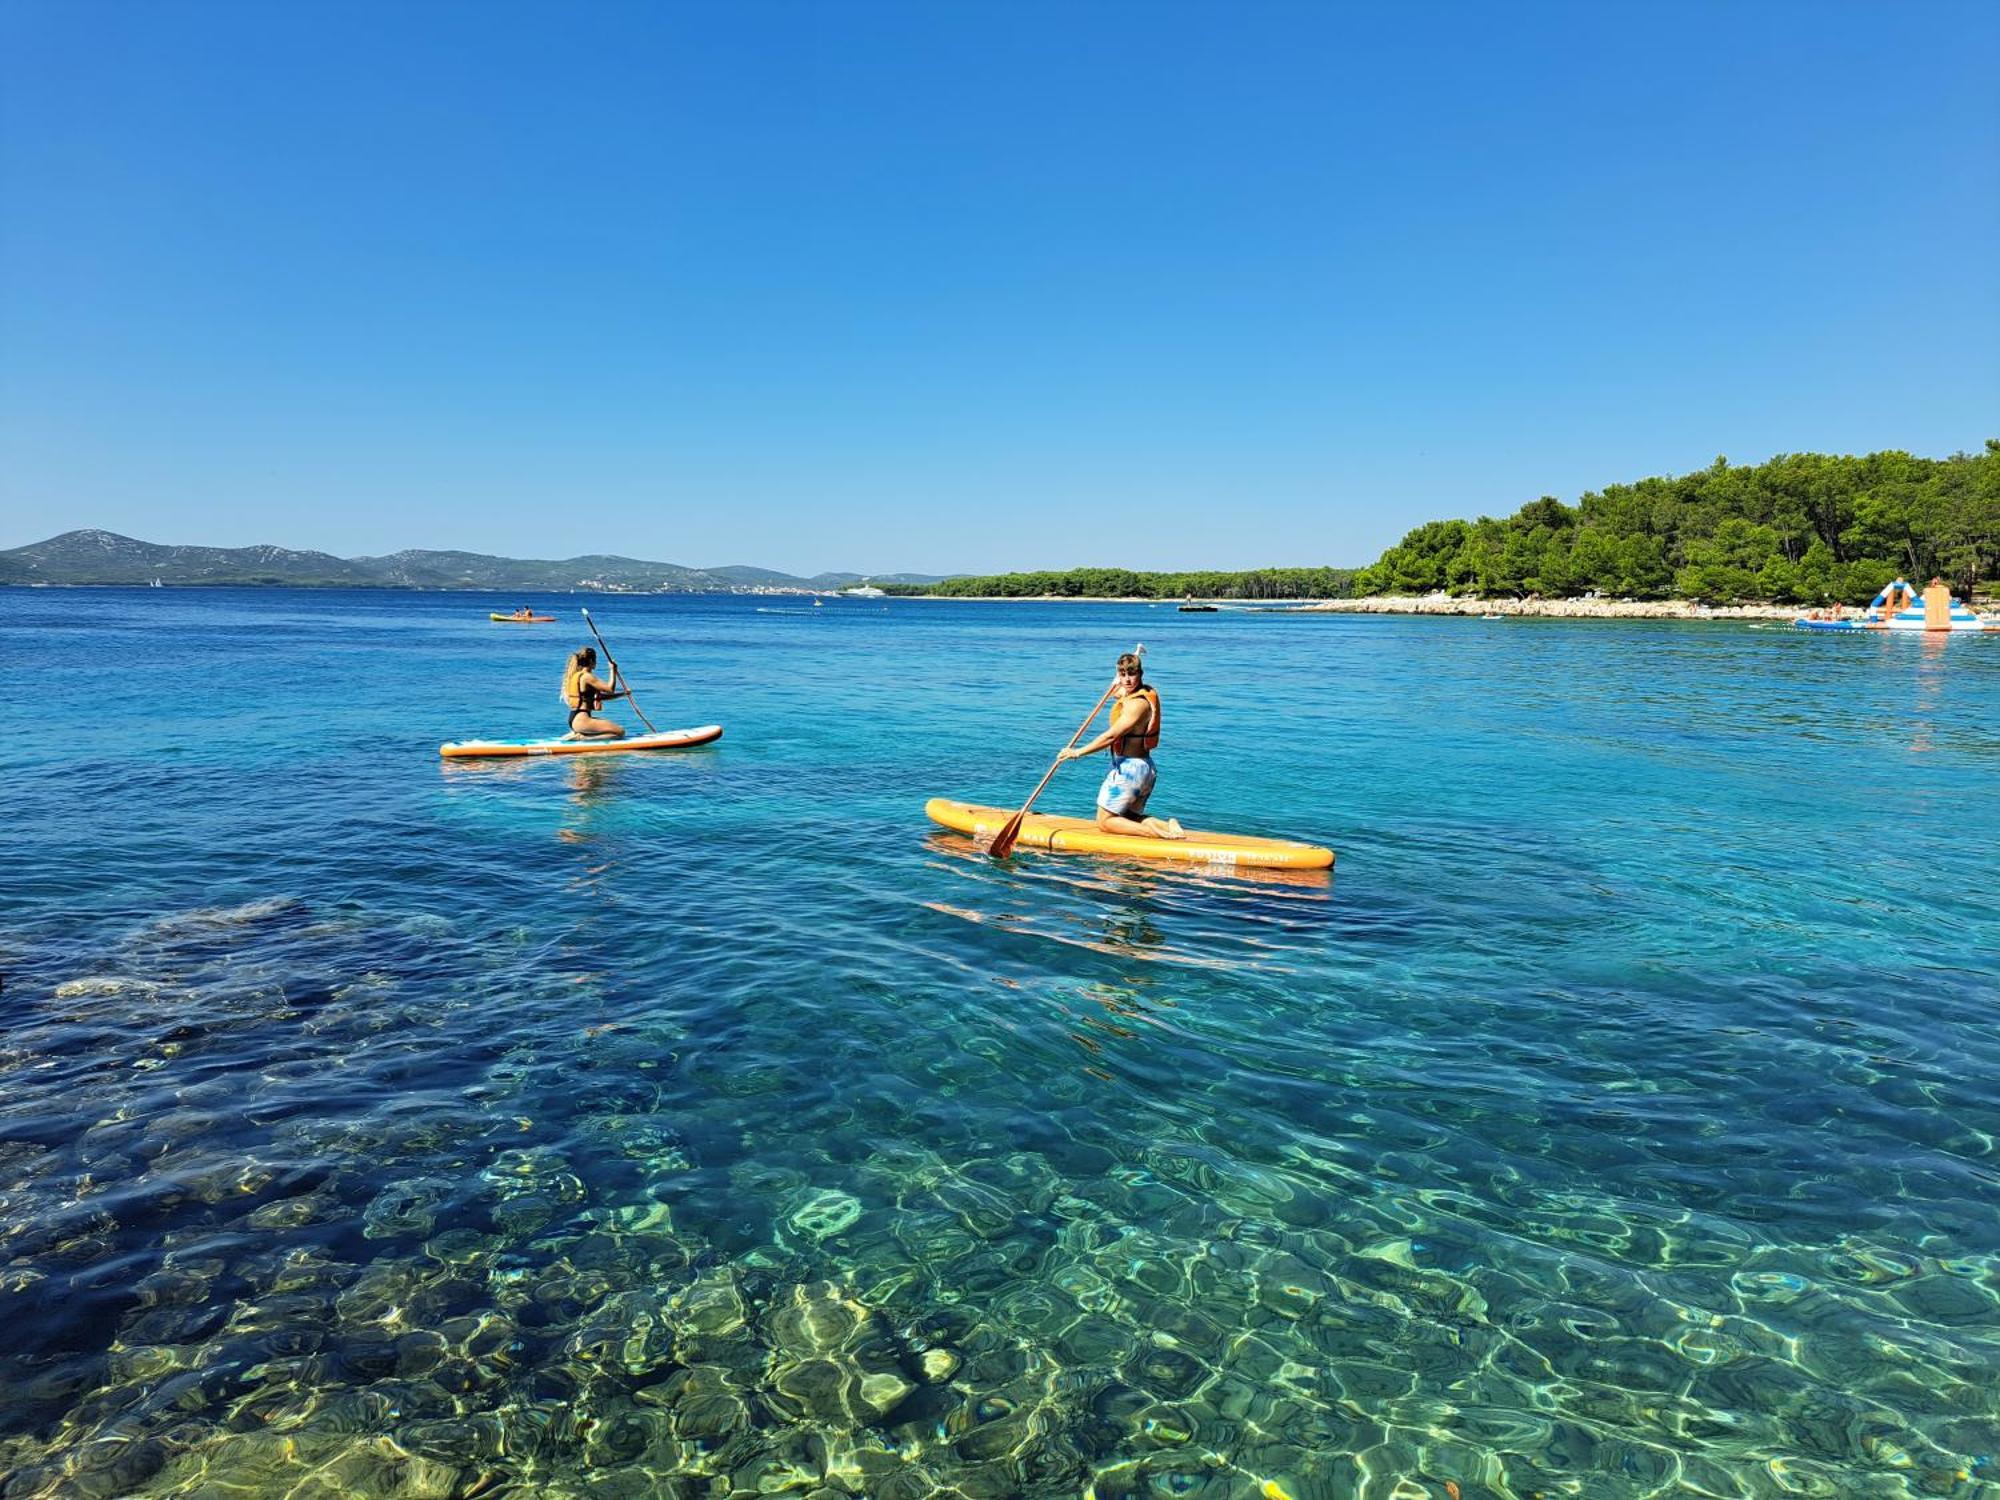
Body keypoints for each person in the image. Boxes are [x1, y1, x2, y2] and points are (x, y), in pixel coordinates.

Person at [1057, 652, 1184, 839]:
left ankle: (1152, 833)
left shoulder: (1137, 705)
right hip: (1145, 768)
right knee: (1129, 817)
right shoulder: (1142, 693)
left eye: (1131, 674)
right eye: (1122, 674)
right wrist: (1116, 682)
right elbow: (1118, 692)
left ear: (1140, 674)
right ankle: (1167, 825)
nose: (1127, 679)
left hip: (1130, 770)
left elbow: (1111, 736)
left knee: (1104, 821)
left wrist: (1077, 752)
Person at [560, 646, 626, 739]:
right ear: (591, 661)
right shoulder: (587, 677)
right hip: (582, 719)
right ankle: (583, 737)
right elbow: (610, 689)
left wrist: (623, 694)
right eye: (596, 660)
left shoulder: (577, 675)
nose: (596, 663)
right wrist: (612, 670)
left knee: (615, 730)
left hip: (576, 718)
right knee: (620, 732)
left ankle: (580, 733)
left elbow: (600, 697)